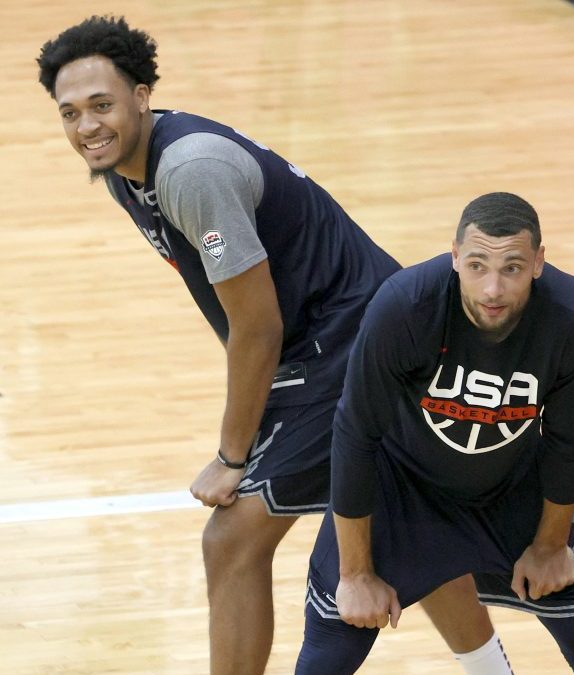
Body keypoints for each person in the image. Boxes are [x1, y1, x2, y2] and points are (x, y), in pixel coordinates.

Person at [34, 16, 510, 675]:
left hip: (356, 344)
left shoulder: (190, 171)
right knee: (406, 521)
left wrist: (233, 454)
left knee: (231, 539)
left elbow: (257, 327)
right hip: (337, 339)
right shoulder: (124, 170)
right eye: (70, 113)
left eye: (101, 105)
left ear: (142, 96)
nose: (87, 126)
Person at [294, 192, 574, 674]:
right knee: (327, 650)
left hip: (510, 489)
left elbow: (568, 443)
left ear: (538, 262)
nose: (492, 289)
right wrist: (356, 573)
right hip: (401, 492)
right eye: (476, 266)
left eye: (512, 268)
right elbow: (355, 435)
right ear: (454, 256)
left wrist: (550, 546)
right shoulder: (404, 306)